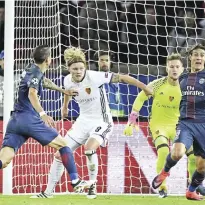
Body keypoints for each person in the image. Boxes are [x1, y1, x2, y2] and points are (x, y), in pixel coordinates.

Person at [33, 47, 152, 199]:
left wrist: (145, 87)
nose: (78, 71)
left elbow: (123, 78)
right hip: (83, 121)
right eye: (75, 68)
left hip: (102, 121)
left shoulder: (95, 77)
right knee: (59, 153)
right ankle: (47, 192)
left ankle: (92, 185)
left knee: (89, 149)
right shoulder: (67, 80)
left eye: (81, 68)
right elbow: (68, 92)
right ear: (69, 68)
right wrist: (65, 107)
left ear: (85, 68)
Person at [0, 45, 93, 193]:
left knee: (4, 160)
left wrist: (62, 90)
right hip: (29, 119)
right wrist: (43, 114)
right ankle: (76, 182)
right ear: (49, 60)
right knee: (64, 145)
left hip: (15, 121)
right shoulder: (36, 73)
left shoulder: (31, 69)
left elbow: (44, 82)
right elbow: (32, 93)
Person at [124, 53, 205, 198]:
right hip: (159, 125)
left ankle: (194, 186)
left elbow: (199, 107)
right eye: (171, 66)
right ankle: (162, 187)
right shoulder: (157, 84)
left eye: (177, 66)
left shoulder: (187, 87)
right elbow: (141, 98)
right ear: (167, 68)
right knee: (164, 152)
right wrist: (132, 119)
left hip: (180, 126)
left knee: (192, 156)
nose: (174, 69)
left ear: (183, 68)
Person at [151, 44, 205, 200]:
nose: (198, 57)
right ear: (190, 58)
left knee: (202, 166)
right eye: (195, 55)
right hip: (185, 123)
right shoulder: (183, 78)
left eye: (201, 55)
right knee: (177, 152)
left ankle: (191, 190)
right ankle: (165, 172)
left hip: (203, 124)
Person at [94, 50, 126, 117]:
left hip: (117, 118)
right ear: (97, 62)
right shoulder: (93, 78)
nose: (104, 62)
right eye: (101, 60)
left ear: (110, 62)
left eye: (107, 60)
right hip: (99, 117)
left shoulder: (116, 78)